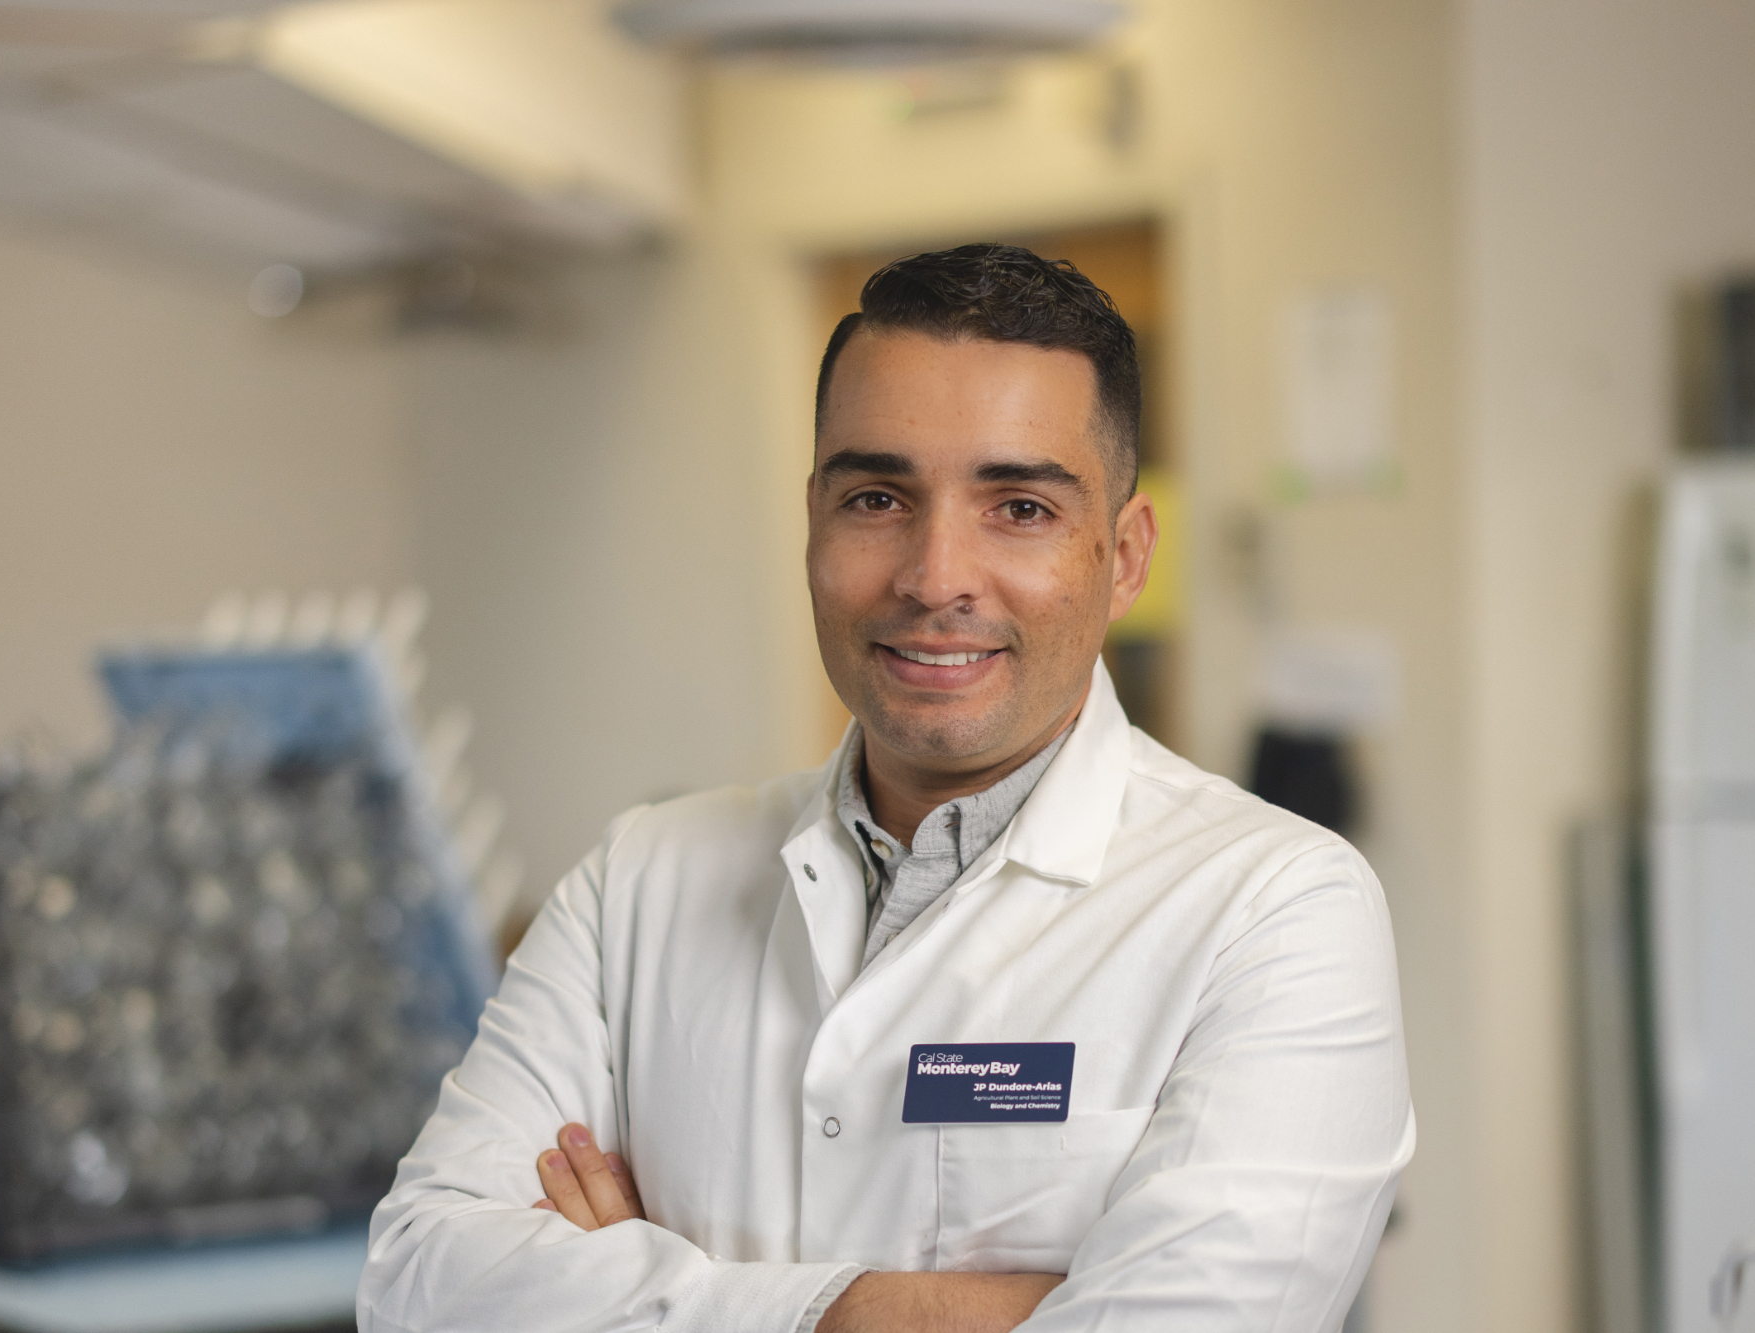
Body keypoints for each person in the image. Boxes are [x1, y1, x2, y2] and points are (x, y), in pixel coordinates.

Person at [358, 244, 1412, 1333]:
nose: (933, 575)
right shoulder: (637, 880)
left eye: (1018, 508)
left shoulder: (1278, 909)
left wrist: (638, 1284)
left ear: (1126, 553)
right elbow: (418, 1281)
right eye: (876, 496)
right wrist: (913, 1314)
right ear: (813, 518)